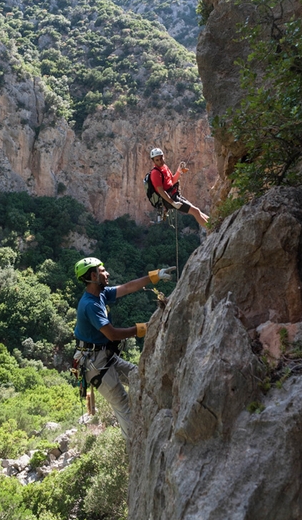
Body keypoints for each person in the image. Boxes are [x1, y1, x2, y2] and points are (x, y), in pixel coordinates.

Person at [73, 256, 174, 438]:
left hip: (104, 357)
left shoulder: (101, 294)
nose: (107, 273)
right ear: (93, 276)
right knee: (123, 405)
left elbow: (127, 287)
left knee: (139, 376)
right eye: (102, 271)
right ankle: (135, 446)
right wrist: (142, 329)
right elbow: (112, 334)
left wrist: (155, 276)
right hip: (95, 364)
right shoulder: (90, 305)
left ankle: (149, 428)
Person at [149, 147, 209, 228]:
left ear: (163, 157)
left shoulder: (165, 167)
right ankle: (211, 228)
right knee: (195, 211)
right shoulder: (155, 173)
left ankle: (213, 223)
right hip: (170, 199)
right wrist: (172, 203)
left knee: (197, 211)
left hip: (175, 195)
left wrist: (179, 171)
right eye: (157, 160)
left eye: (161, 158)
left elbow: (172, 181)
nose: (160, 161)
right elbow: (161, 191)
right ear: (153, 161)